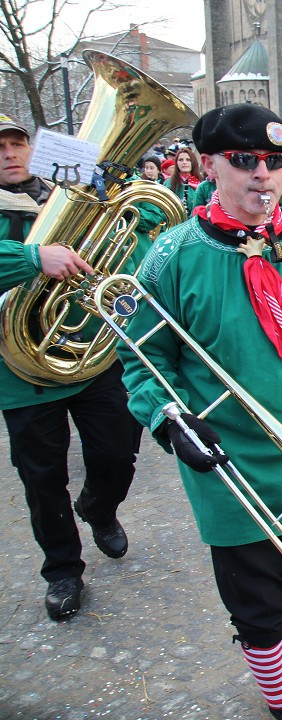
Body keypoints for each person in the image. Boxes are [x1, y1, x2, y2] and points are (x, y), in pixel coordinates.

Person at [117, 104, 282, 720]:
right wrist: (167, 417)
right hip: (229, 471)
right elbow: (138, 360)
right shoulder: (170, 257)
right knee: (257, 610)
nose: (261, 174)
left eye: (273, 161)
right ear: (208, 164)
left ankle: (275, 643)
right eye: (244, 160)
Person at [0, 113, 137, 621]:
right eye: (1, 148)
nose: (11, 154)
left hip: (89, 355)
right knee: (42, 477)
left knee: (118, 452)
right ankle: (62, 569)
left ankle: (99, 507)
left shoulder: (71, 196)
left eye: (18, 143)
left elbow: (129, 248)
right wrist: (33, 257)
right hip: (22, 372)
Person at [166, 146, 203, 214]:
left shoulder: (202, 182)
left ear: (193, 162)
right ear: (176, 163)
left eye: (188, 160)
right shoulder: (169, 182)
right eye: (181, 160)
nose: (184, 162)